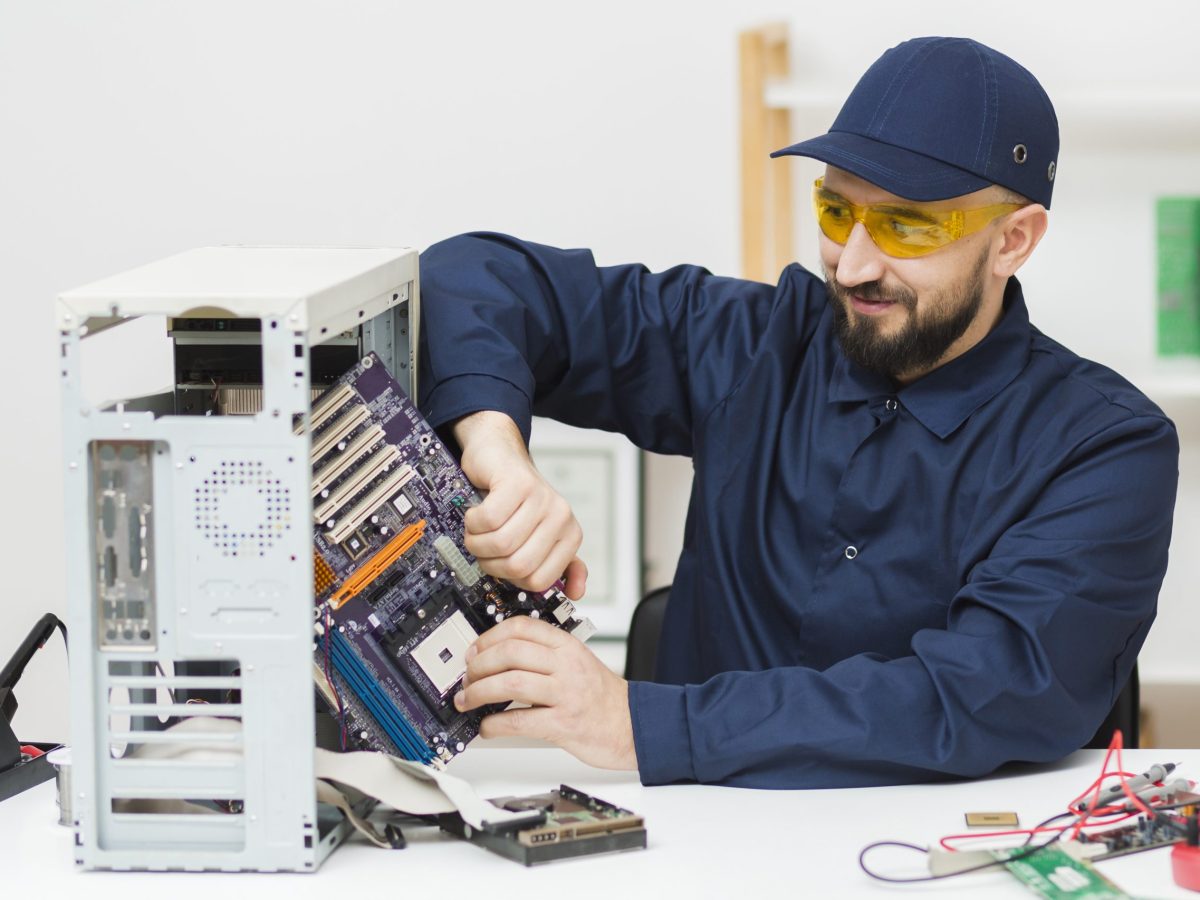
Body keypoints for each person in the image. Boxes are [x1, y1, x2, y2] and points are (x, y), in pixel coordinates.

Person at [417, 37, 1179, 788]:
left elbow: (982, 692)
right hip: (691, 846)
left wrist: (637, 723)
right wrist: (496, 450)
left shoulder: (1106, 448)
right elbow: (470, 277)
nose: (852, 263)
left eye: (906, 226)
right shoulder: (747, 343)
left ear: (1014, 240)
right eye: (836, 208)